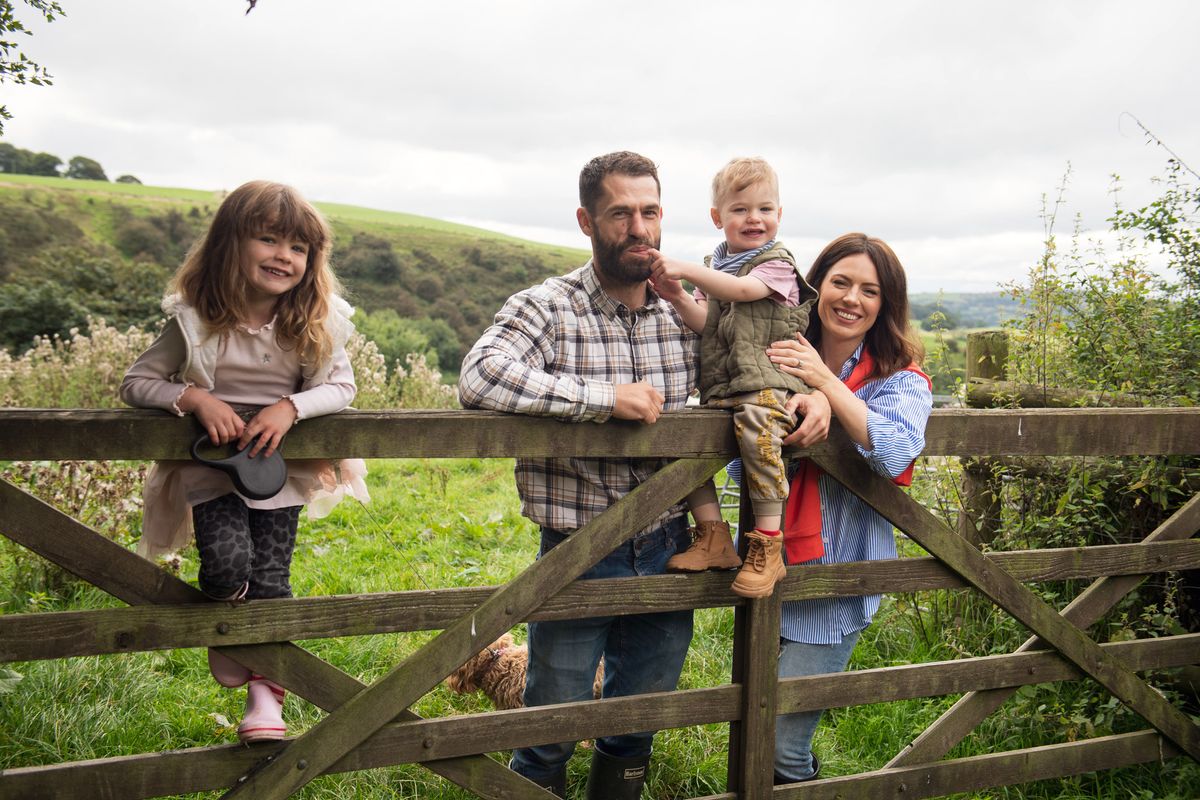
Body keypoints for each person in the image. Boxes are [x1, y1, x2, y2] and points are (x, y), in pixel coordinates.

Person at [457, 151, 698, 799]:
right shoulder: (550, 306)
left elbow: (753, 377)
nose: (639, 228)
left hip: (673, 548)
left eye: (650, 212)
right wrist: (603, 400)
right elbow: (480, 376)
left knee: (634, 726)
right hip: (578, 551)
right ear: (587, 221)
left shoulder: (685, 309)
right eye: (621, 213)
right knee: (548, 728)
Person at [120, 180, 369, 743]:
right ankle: (230, 632)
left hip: (280, 470)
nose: (284, 256)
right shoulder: (194, 320)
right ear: (231, 244)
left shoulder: (316, 322)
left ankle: (267, 700)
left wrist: (291, 408)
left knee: (272, 580)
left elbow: (342, 388)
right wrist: (194, 398)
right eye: (269, 239)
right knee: (229, 566)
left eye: (298, 248)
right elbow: (136, 382)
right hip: (212, 468)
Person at [765, 232, 933, 784]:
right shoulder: (778, 353)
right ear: (818, 286)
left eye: (870, 290)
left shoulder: (900, 377)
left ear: (886, 305)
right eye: (841, 282)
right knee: (755, 725)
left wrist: (824, 386)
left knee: (779, 744)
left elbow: (895, 452)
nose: (852, 299)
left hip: (836, 587)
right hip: (769, 573)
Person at [647, 157, 819, 599]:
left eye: (765, 209)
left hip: (768, 384)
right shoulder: (716, 266)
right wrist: (677, 296)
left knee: (761, 439)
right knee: (681, 442)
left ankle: (767, 545)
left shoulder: (777, 263)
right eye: (740, 209)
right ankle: (712, 535)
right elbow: (706, 321)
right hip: (723, 389)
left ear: (779, 215)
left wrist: (683, 269)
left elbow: (744, 292)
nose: (754, 219)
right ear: (717, 217)